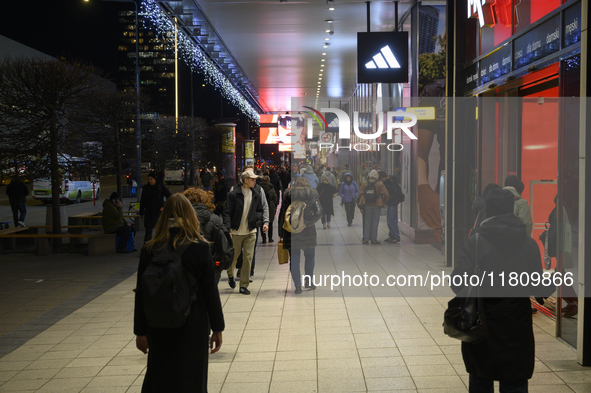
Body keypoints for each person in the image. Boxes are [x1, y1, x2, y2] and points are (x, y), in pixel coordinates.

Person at [451, 188, 552, 393]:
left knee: (480, 378)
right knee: (514, 381)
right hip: (515, 326)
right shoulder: (529, 245)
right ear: (511, 211)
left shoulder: (476, 243)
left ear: (488, 212)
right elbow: (538, 287)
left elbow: (457, 283)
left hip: (480, 324)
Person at [134, 193, 224, 392]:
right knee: (192, 377)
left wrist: (140, 331)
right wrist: (217, 328)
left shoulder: (150, 249)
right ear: (190, 215)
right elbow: (210, 291)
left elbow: (141, 292)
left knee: (161, 376)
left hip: (158, 322)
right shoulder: (200, 248)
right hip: (193, 323)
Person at [223, 171, 266, 294]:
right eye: (252, 179)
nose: (255, 181)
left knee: (248, 258)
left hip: (250, 231)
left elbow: (260, 210)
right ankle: (230, 274)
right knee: (234, 257)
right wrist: (228, 229)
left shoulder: (256, 194)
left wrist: (256, 219)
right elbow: (227, 212)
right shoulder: (233, 195)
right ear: (245, 180)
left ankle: (244, 285)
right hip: (236, 232)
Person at [278, 177, 322, 294]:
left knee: (294, 259)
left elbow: (282, 213)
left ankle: (297, 285)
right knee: (310, 256)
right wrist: (307, 223)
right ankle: (308, 282)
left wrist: (281, 233)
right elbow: (319, 212)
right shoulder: (312, 194)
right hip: (308, 231)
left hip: (290, 231)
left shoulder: (288, 195)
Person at [539, 194, 578, 318]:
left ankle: (572, 301)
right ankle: (572, 302)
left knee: (560, 274)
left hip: (562, 247)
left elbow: (556, 230)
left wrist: (549, 242)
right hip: (564, 247)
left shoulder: (560, 210)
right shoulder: (566, 209)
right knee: (561, 273)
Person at [183, 187, 231, 284]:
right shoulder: (214, 219)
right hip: (210, 266)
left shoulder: (181, 220)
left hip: (187, 269)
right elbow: (223, 247)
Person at [233, 165, 269, 281]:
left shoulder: (258, 190)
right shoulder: (234, 190)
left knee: (250, 252)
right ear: (244, 178)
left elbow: (264, 206)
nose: (254, 180)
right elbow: (229, 210)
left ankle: (248, 273)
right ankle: (240, 268)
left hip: (252, 225)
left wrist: (265, 221)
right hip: (237, 227)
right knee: (237, 251)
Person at [358, 170, 389, 245]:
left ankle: (366, 239)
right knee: (375, 222)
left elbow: (360, 193)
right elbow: (387, 194)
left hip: (367, 204)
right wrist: (383, 202)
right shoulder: (379, 184)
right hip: (376, 204)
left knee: (367, 221)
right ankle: (373, 239)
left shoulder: (365, 183)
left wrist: (361, 204)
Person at [140, 171, 171, 243]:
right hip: (149, 211)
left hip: (158, 211)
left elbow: (169, 196)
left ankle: (159, 244)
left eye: (151, 179)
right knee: (148, 230)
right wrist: (141, 211)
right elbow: (142, 200)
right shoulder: (146, 188)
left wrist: (164, 206)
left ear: (155, 179)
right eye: (149, 179)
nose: (150, 181)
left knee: (159, 228)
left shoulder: (160, 186)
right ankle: (146, 245)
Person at [380, 171, 404, 243]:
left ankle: (396, 236)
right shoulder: (388, 182)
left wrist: (388, 200)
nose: (381, 180)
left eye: (382, 179)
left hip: (393, 203)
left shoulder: (391, 182)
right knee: (390, 220)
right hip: (391, 203)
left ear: (384, 177)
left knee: (392, 220)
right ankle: (392, 235)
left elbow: (395, 193)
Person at [258, 175, 278, 244]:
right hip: (270, 207)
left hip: (261, 207)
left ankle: (263, 239)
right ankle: (270, 238)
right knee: (270, 222)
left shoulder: (259, 189)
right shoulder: (271, 188)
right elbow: (275, 198)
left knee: (262, 223)